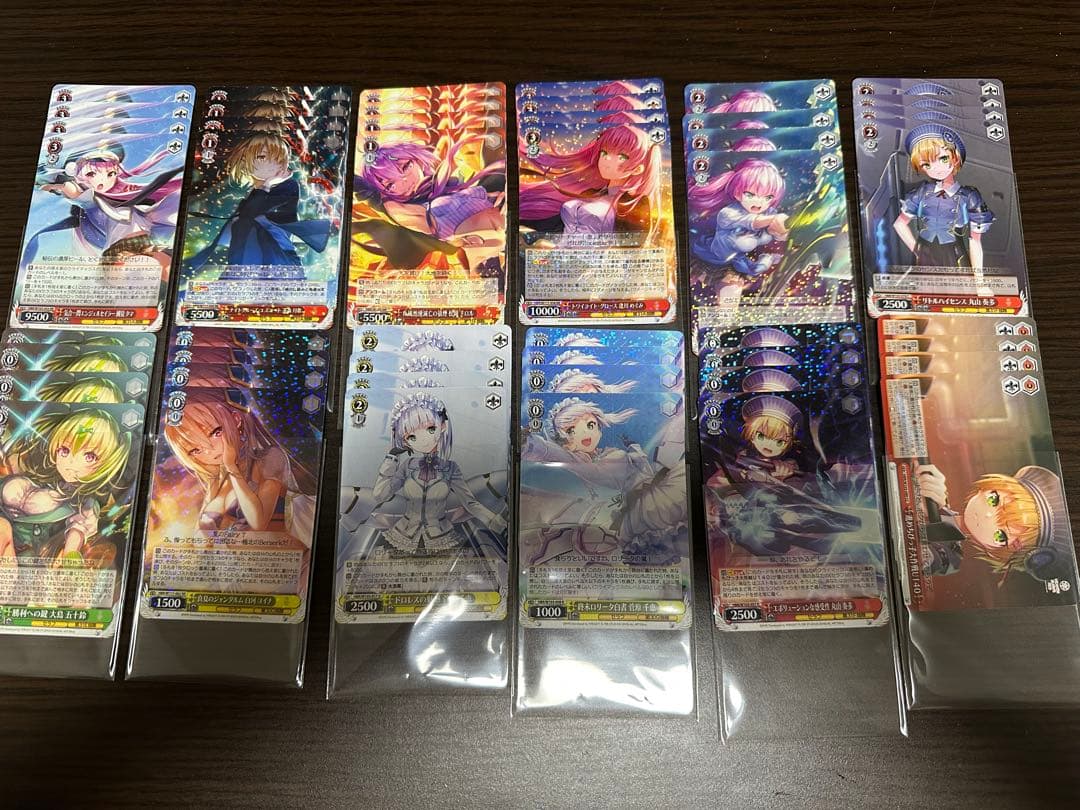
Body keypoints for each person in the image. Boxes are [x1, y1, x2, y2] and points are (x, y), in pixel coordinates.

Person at [0, 408, 130, 563]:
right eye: (65, 450)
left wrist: (70, 556)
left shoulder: (84, 503)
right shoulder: (37, 475)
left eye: (89, 456)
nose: (71, 462)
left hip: (26, 555)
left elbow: (77, 530)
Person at [892, 124, 994, 270]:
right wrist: (918, 252)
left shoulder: (968, 196)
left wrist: (979, 280)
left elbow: (975, 241)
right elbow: (899, 224)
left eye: (943, 159)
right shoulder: (922, 192)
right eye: (926, 164)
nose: (936, 168)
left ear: (956, 158)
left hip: (954, 256)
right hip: (925, 256)